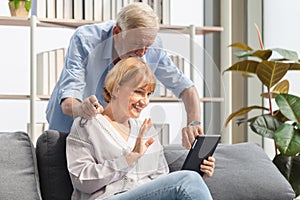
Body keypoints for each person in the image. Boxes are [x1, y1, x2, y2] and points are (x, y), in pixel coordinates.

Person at [46, 2, 202, 149]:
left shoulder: (152, 47)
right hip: (68, 126)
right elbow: (68, 102)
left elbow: (187, 89)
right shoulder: (86, 39)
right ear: (117, 33)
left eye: (147, 46)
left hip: (111, 134)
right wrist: (82, 109)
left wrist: (193, 124)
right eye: (136, 45)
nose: (142, 53)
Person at [66, 57, 215, 200]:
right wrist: (129, 158)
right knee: (188, 179)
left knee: (191, 179)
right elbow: (82, 180)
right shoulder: (87, 125)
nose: (145, 101)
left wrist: (199, 176)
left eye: (148, 94)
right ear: (117, 89)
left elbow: (162, 182)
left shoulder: (147, 130)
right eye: (138, 92)